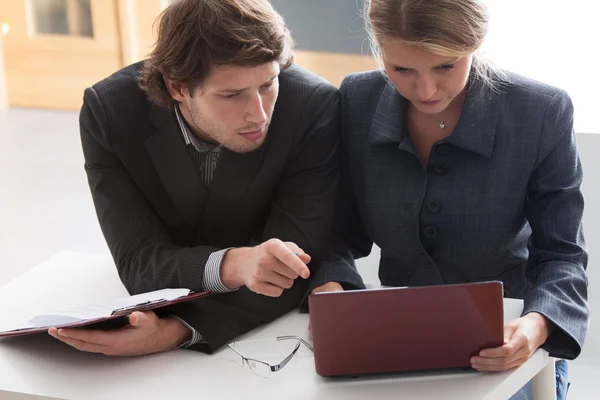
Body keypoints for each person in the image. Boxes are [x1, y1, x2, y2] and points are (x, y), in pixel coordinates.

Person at [308, 1, 588, 399]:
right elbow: (337, 231)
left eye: (445, 66)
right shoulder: (357, 99)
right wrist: (330, 292)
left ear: (473, 44)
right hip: (394, 334)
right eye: (401, 69)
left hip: (508, 336)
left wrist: (536, 325)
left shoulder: (541, 111)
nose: (425, 90)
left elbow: (563, 255)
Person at [48, 0, 339, 356]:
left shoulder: (311, 106)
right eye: (232, 95)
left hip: (268, 338)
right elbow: (139, 262)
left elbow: (290, 270)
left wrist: (178, 330)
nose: (260, 114)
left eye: (268, 84)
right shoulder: (109, 113)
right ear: (177, 88)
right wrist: (235, 264)